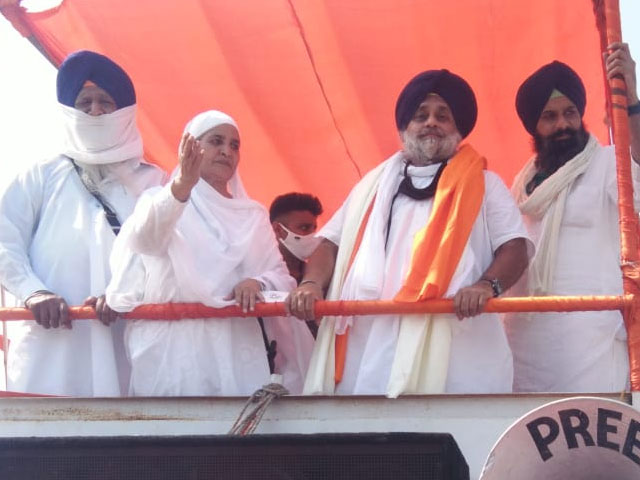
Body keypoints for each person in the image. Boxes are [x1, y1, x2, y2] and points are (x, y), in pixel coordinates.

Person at [287, 69, 531, 397]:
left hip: (455, 339)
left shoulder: (487, 185)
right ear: (405, 127)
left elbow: (515, 246)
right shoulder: (372, 187)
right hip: (371, 340)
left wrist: (487, 285)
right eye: (421, 115)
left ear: (458, 128)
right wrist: (311, 284)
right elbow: (330, 243)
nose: (431, 122)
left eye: (443, 116)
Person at [106, 110, 314, 396]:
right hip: (174, 351)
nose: (226, 151)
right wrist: (182, 187)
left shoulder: (252, 215)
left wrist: (258, 283)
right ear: (191, 147)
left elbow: (282, 278)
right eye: (216, 141)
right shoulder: (158, 199)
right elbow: (146, 242)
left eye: (234, 145)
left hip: (238, 348)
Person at [0, 50, 166, 396]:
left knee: (135, 424)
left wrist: (125, 293)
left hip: (129, 338)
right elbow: (5, 240)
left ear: (123, 112)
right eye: (84, 102)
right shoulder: (41, 174)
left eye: (105, 102)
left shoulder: (156, 182)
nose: (95, 111)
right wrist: (33, 291)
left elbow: (171, 257)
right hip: (51, 347)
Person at [504, 42, 640, 393]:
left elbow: (638, 169)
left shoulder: (607, 163)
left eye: (570, 112)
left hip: (591, 340)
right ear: (533, 126)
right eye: (549, 116)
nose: (563, 123)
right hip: (527, 340)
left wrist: (632, 100)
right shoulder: (520, 186)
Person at [270, 192, 324, 284]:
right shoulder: (258, 273)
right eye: (304, 228)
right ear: (278, 229)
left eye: (314, 228)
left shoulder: (322, 278)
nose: (312, 235)